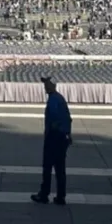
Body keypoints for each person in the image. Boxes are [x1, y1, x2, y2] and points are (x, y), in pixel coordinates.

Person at [31, 76, 72, 206]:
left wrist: (52, 133)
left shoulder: (54, 100)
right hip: (61, 137)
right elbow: (68, 118)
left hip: (55, 138)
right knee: (60, 169)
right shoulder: (59, 98)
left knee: (48, 167)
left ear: (53, 86)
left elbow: (54, 119)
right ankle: (60, 196)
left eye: (47, 84)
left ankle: (44, 194)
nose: (45, 87)